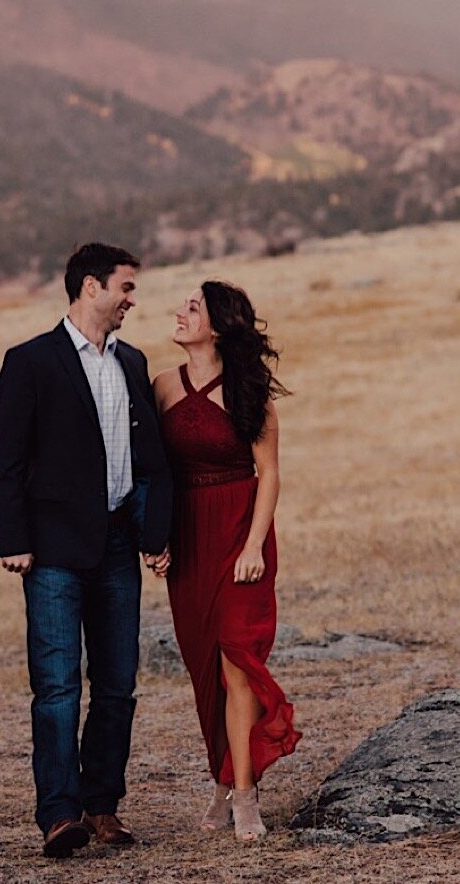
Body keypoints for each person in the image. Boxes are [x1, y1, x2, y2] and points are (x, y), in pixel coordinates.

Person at [0, 243, 173, 859]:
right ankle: (60, 814)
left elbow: (148, 463)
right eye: (125, 287)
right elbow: (6, 461)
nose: (132, 299)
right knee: (58, 687)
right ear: (90, 286)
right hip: (52, 554)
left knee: (118, 685)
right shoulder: (30, 361)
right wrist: (13, 541)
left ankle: (102, 807)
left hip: (119, 546)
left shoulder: (133, 362)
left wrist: (154, 536)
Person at [153, 280, 300, 842]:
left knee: (237, 663)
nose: (180, 312)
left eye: (193, 307)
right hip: (189, 539)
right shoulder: (162, 386)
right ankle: (224, 778)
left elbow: (270, 475)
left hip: (241, 534)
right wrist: (158, 538)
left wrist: (254, 546)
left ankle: (245, 798)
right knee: (203, 672)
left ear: (217, 325)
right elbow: (156, 474)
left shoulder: (250, 394)